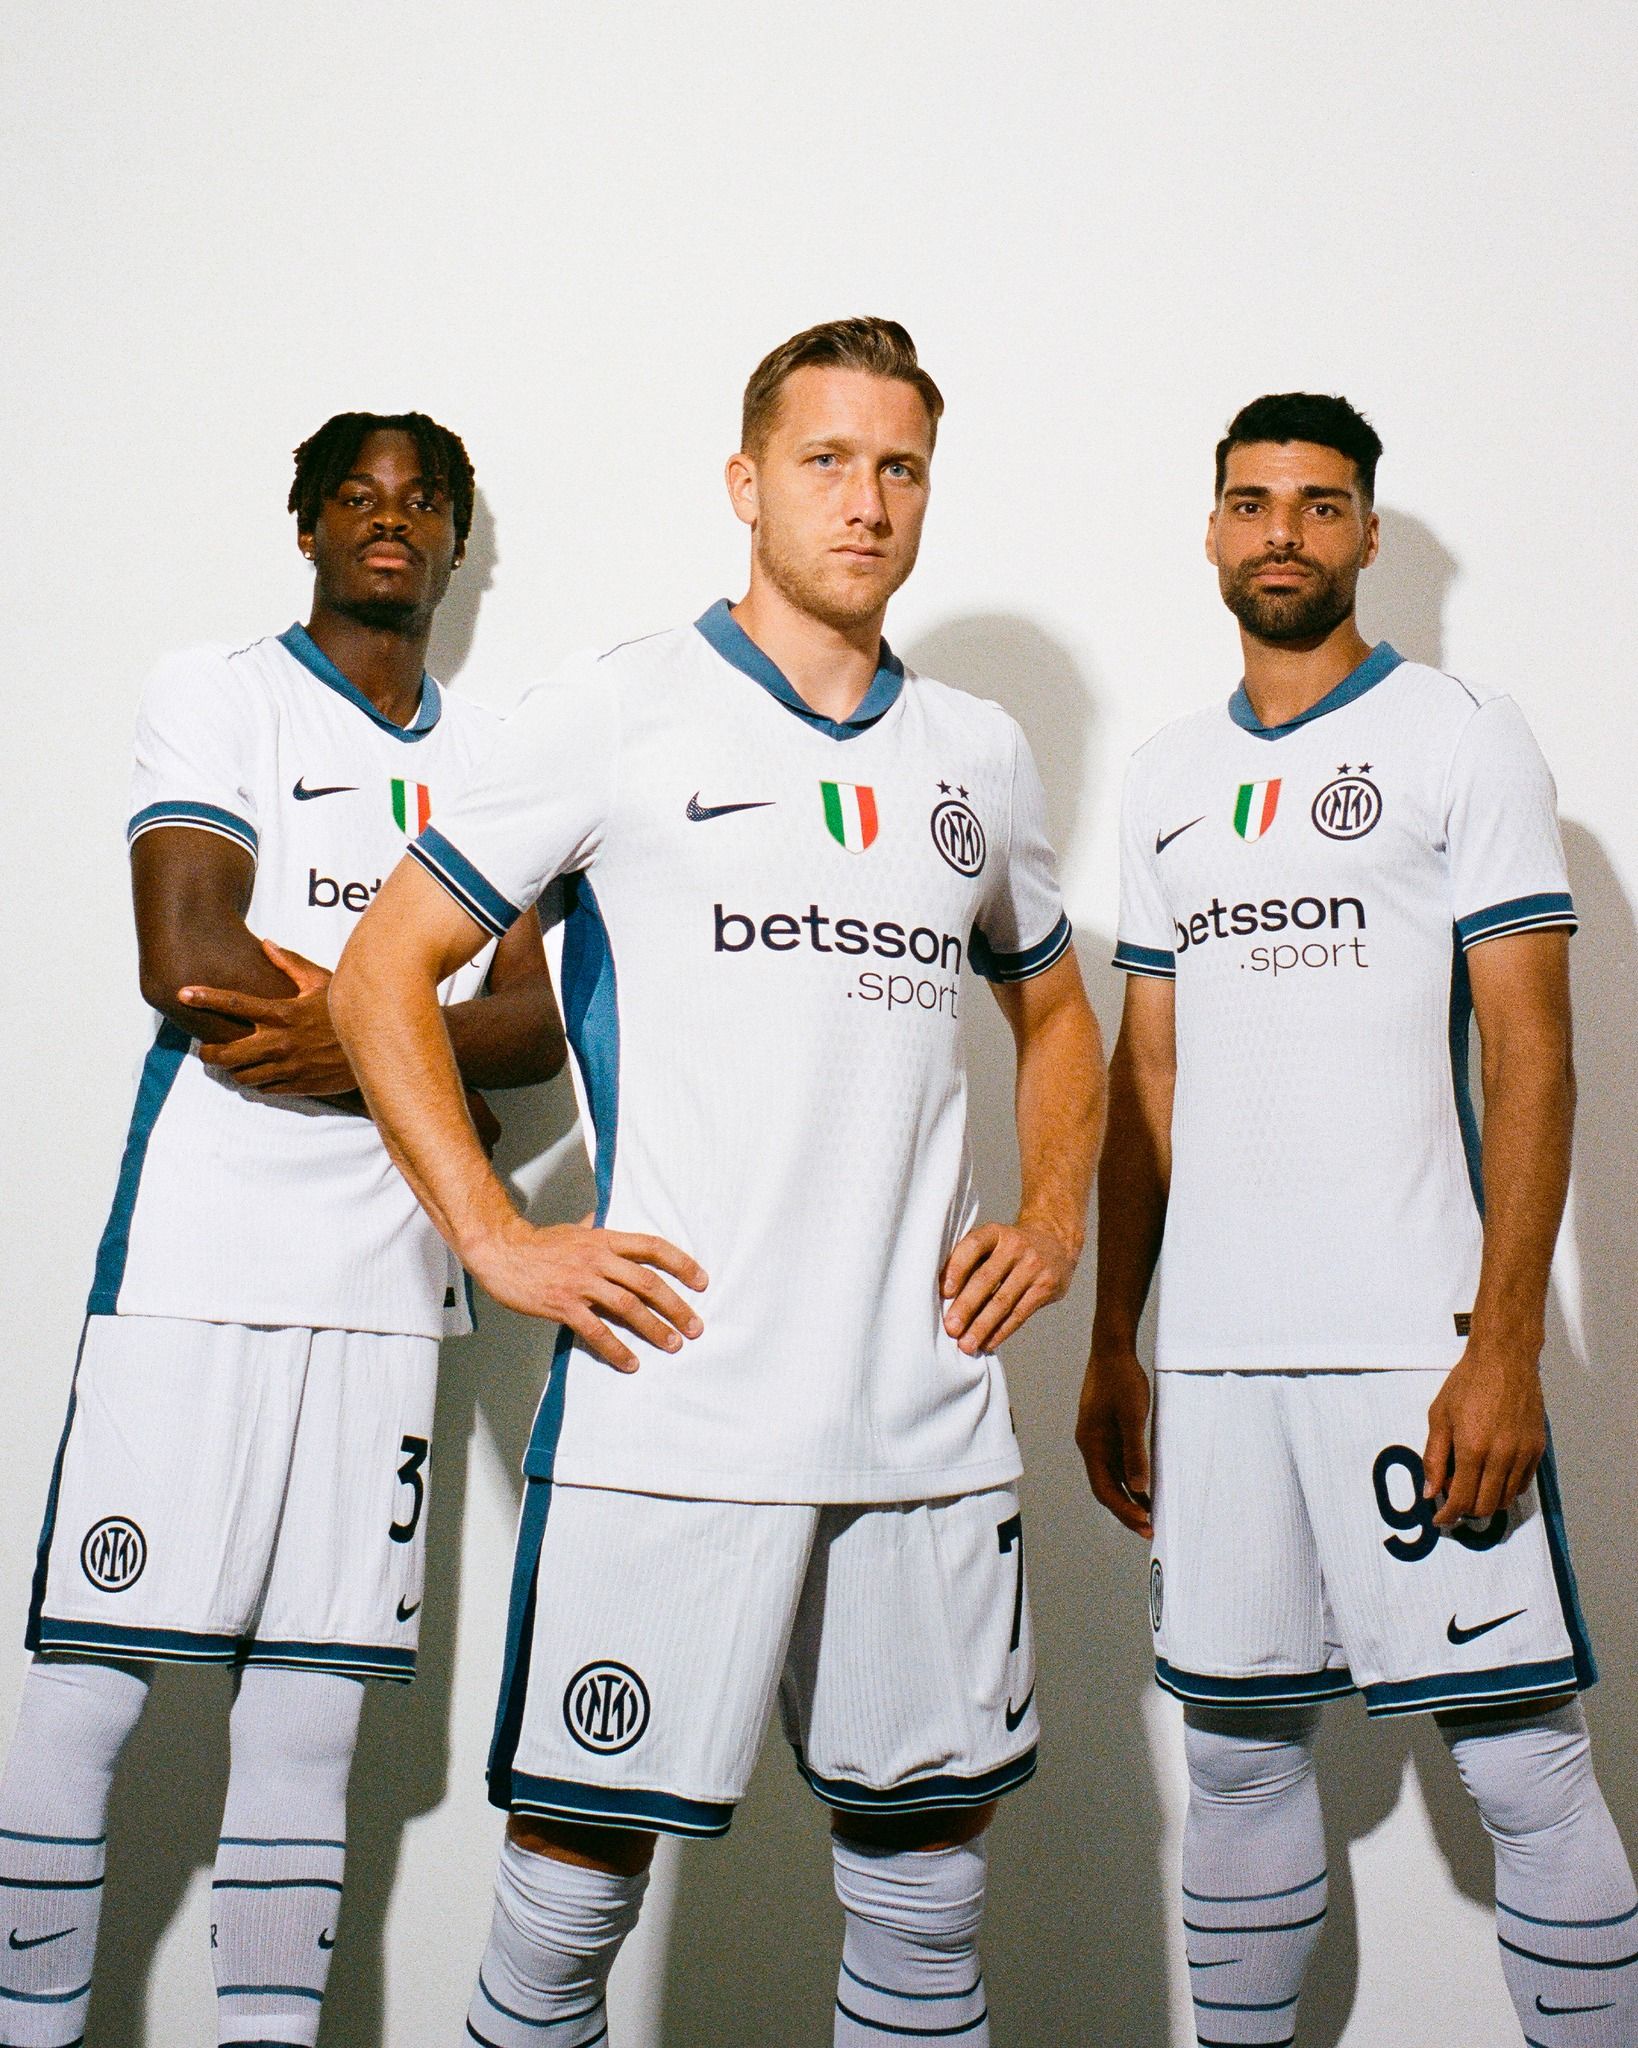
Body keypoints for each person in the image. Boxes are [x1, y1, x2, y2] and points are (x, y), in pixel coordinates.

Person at [329, 318, 1104, 2047]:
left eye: (898, 468)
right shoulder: (616, 711)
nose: (866, 501)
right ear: (746, 484)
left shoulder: (976, 752)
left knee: (926, 1913)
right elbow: (384, 972)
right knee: (562, 1915)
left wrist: (1053, 1216)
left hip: (920, 1422)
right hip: (673, 1413)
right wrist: (493, 1233)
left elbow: (1057, 1012)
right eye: (826, 461)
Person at [1079, 391, 1635, 2046]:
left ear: (1367, 535)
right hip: (1217, 1364)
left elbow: (1531, 1059)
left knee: (1521, 1762)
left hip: (1413, 1348)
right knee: (1237, 1758)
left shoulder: (1461, 735)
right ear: (1210, 530)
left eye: (1318, 505)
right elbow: (1145, 1077)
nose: (1282, 533)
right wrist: (1113, 1339)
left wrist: (1502, 1346)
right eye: (1252, 503)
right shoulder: (1165, 777)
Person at [0, 412, 563, 2047]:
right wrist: (411, 1044)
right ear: (307, 525)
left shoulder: (500, 756)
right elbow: (189, 953)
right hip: (198, 1266)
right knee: (85, 1694)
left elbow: (531, 1024)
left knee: (313, 1731)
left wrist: (352, 1036)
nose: (391, 521)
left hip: (389, 1281)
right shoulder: (219, 691)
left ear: (457, 542)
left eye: (423, 501)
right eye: (357, 497)